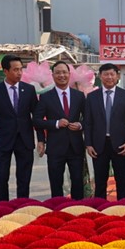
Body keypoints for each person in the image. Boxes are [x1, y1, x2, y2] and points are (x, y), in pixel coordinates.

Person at [0, 54, 39, 200]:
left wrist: (41, 139)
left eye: (20, 69)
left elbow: (36, 117)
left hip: (25, 140)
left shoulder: (29, 90)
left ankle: (22, 203)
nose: (19, 73)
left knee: (24, 177)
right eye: (15, 70)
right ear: (5, 71)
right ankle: (2, 206)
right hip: (3, 140)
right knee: (2, 176)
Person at [34, 61, 86, 199]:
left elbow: (89, 119)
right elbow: (37, 120)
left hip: (76, 146)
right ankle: (57, 210)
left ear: (69, 74)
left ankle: (77, 209)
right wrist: (56, 123)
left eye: (64, 72)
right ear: (53, 75)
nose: (61, 75)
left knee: (77, 182)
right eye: (58, 72)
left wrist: (80, 125)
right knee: (56, 183)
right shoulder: (45, 97)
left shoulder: (79, 96)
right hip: (55, 147)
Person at [84, 63, 125, 199]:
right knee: (100, 181)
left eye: (112, 74)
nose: (109, 77)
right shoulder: (91, 97)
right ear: (100, 76)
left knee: (122, 181)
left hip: (120, 145)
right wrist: (88, 144)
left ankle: (124, 208)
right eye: (106, 74)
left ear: (117, 76)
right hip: (99, 145)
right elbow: (88, 122)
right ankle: (100, 209)